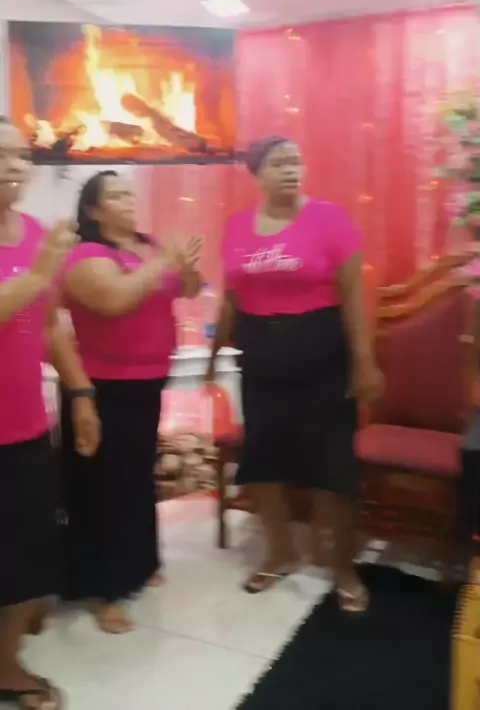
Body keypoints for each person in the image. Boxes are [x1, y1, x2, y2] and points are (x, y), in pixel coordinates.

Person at [207, 136, 384, 611]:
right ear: (256, 174)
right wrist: (212, 354)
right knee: (265, 464)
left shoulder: (330, 219)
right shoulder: (237, 226)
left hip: (322, 361)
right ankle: (279, 553)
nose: (291, 170)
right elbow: (231, 296)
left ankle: (342, 566)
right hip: (261, 364)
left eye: (296, 162)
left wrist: (365, 362)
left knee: (333, 468)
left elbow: (353, 296)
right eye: (279, 163)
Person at [60, 170, 202, 634]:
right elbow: (115, 300)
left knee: (138, 477)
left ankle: (140, 564)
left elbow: (188, 290)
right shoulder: (85, 255)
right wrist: (164, 264)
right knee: (104, 486)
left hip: (147, 378)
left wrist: (186, 269)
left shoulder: (149, 245)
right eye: (116, 195)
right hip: (101, 386)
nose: (129, 200)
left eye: (129, 192)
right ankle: (106, 591)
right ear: (94, 210)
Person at [0, 118, 100, 710]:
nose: (13, 166)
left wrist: (81, 392)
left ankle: (7, 663)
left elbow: (52, 324)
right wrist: (38, 274)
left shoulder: (37, 233)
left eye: (20, 155)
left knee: (26, 556)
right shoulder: (42, 253)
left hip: (24, 427)